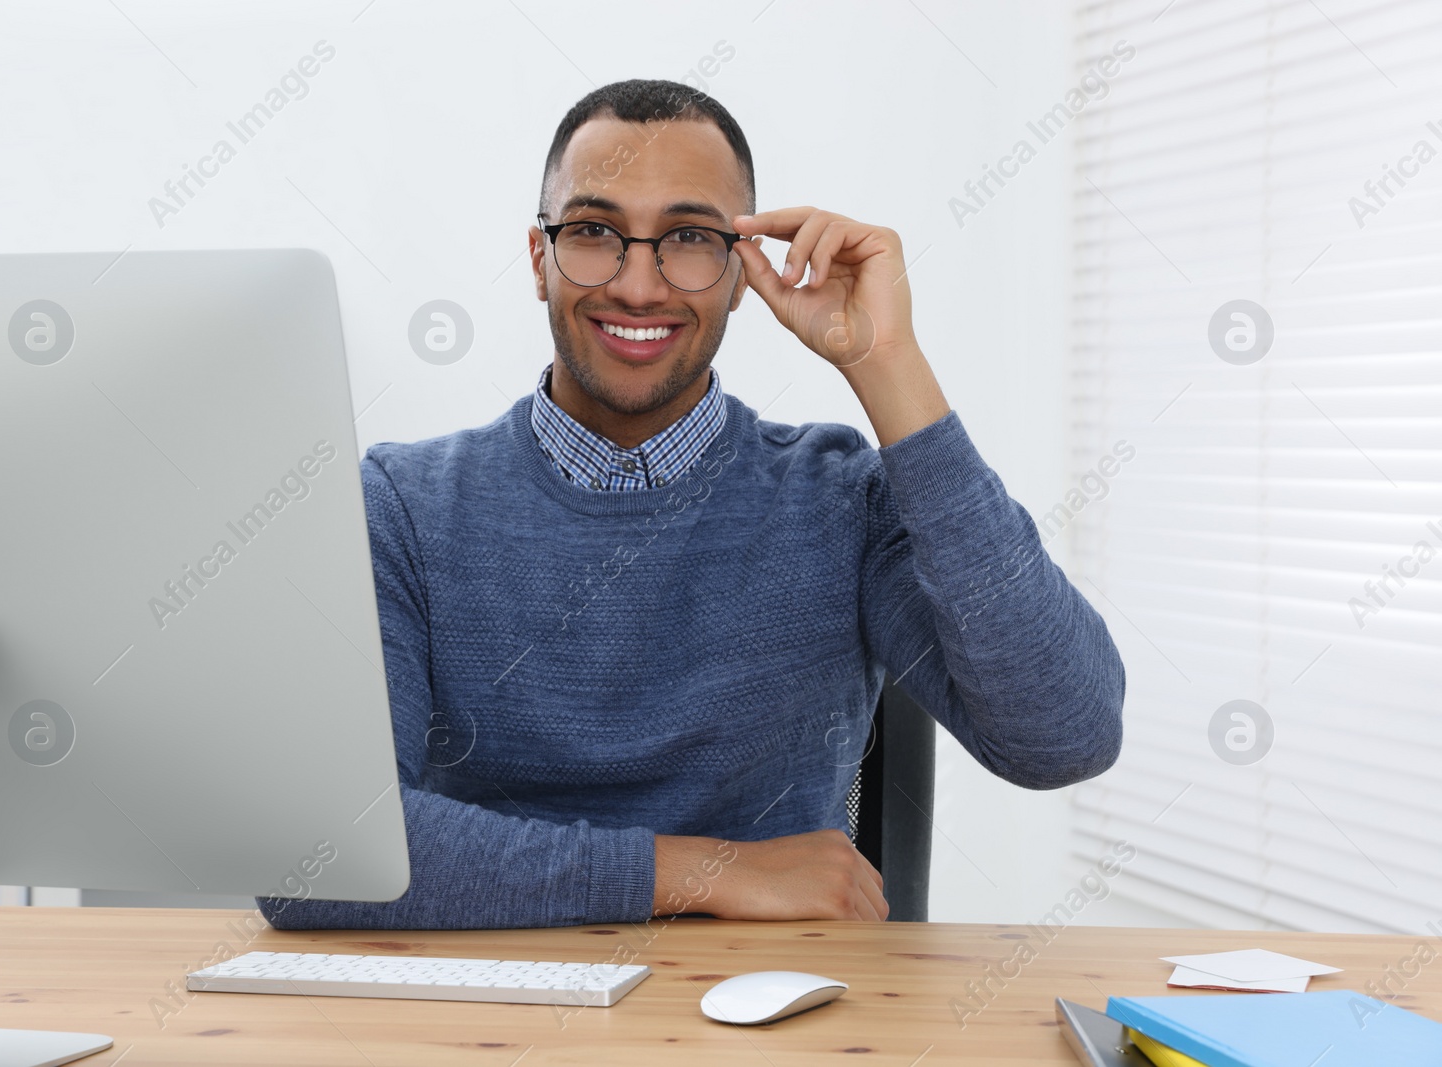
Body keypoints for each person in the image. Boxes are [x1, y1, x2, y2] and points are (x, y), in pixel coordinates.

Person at [259, 79, 1124, 931]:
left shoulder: (842, 497)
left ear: (744, 272)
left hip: (772, 1016)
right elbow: (313, 859)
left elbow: (1065, 736)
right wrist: (702, 871)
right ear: (538, 259)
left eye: (689, 239)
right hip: (490, 1009)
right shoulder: (402, 507)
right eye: (595, 233)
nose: (640, 286)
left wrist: (888, 365)